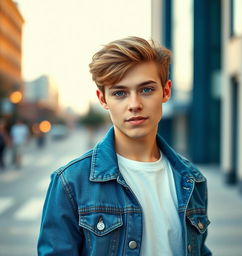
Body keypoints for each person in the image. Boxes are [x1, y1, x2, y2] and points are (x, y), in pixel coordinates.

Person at [38, 36, 211, 256]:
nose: (134, 105)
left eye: (146, 90)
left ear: (166, 91)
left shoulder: (192, 179)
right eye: (120, 93)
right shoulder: (70, 182)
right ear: (103, 99)